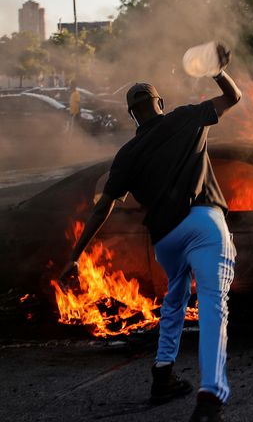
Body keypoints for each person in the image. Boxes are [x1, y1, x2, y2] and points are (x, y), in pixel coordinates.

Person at [57, 44, 242, 421]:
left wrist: (75, 257)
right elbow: (232, 97)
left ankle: (163, 374)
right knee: (211, 304)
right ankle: (210, 396)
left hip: (165, 238)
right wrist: (216, 70)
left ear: (132, 114)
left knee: (175, 296)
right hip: (203, 221)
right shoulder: (186, 117)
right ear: (160, 102)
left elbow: (102, 208)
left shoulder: (127, 154)